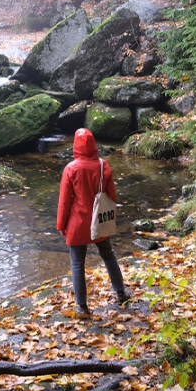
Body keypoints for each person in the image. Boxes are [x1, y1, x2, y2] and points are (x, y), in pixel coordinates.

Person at [57, 128, 131, 317]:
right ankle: (121, 293)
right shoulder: (102, 165)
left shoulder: (70, 169)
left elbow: (64, 202)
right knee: (108, 254)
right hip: (99, 220)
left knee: (77, 264)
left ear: (75, 146)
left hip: (77, 224)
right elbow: (112, 196)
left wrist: (61, 225)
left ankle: (82, 307)